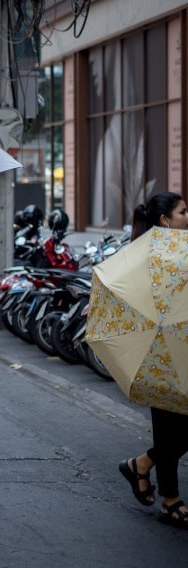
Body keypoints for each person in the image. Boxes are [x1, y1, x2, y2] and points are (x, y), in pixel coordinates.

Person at [118, 190, 188, 528]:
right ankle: (170, 500)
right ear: (165, 220)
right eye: (183, 212)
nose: (187, 218)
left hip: (175, 347)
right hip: (158, 351)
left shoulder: (178, 253)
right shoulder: (152, 255)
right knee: (168, 427)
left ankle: (142, 465)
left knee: (173, 427)